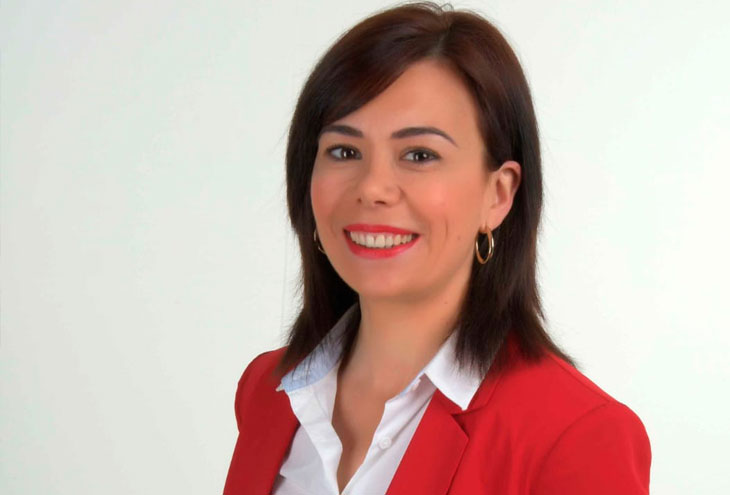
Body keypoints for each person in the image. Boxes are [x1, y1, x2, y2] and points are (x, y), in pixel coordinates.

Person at [223, 2, 652, 494]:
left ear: (498, 195)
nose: (373, 188)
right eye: (344, 151)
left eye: (419, 155)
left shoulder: (575, 436)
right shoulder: (266, 391)